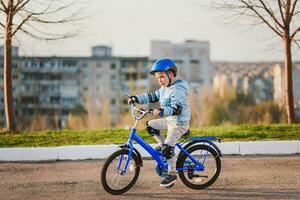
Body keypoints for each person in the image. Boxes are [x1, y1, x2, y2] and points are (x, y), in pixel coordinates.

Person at [128, 58, 191, 188]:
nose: (160, 80)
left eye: (162, 77)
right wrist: (136, 98)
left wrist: (161, 111)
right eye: (158, 78)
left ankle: (172, 173)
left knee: (168, 148)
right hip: (169, 121)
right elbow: (151, 96)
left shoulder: (178, 89)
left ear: (171, 74)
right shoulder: (164, 88)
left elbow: (176, 108)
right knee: (150, 125)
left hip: (179, 124)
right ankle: (163, 147)